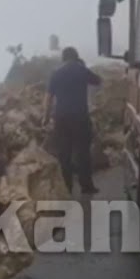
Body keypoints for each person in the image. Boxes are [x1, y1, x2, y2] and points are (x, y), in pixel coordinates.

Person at [43, 46, 101, 195]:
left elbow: (48, 98)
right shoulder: (81, 70)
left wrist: (45, 117)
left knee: (64, 154)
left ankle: (67, 188)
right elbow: (97, 81)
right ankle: (86, 186)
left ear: (63, 58)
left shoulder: (56, 73)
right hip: (80, 117)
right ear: (76, 57)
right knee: (83, 153)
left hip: (61, 118)